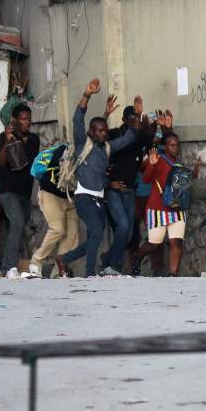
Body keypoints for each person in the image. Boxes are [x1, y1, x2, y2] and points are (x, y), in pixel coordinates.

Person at [61, 80, 138, 278]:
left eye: (105, 130)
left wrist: (137, 118)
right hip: (84, 198)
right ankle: (89, 273)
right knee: (96, 232)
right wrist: (87, 95)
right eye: (100, 131)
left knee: (94, 238)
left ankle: (64, 259)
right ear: (91, 132)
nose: (105, 133)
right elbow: (78, 119)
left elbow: (127, 139)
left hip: (99, 200)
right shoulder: (82, 143)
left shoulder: (107, 148)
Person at [103, 98, 156, 275]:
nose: (135, 122)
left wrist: (142, 117)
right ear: (124, 120)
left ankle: (108, 260)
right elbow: (97, 141)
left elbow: (149, 142)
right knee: (123, 226)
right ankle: (113, 265)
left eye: (136, 119)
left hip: (130, 189)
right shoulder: (116, 134)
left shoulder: (139, 136)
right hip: (114, 190)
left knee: (129, 232)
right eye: (131, 119)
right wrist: (105, 114)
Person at [134, 133, 199, 277]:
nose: (175, 148)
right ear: (165, 146)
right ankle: (137, 258)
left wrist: (192, 174)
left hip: (177, 208)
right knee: (154, 243)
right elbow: (146, 179)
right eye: (172, 145)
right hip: (158, 208)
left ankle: (173, 274)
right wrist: (151, 164)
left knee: (176, 242)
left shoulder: (179, 164)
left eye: (177, 145)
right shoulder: (159, 160)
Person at [0, 103, 40, 274]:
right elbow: (0, 162)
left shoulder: (34, 139)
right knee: (17, 223)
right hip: (8, 191)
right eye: (23, 119)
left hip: (25, 192)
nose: (27, 122)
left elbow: (26, 163)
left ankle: (17, 264)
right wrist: (8, 142)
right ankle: (9, 267)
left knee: (20, 227)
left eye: (28, 119)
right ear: (14, 120)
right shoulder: (4, 137)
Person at [29, 141, 76, 278]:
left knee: (73, 235)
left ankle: (58, 270)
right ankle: (36, 261)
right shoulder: (64, 150)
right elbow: (52, 175)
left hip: (69, 197)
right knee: (57, 229)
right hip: (50, 194)